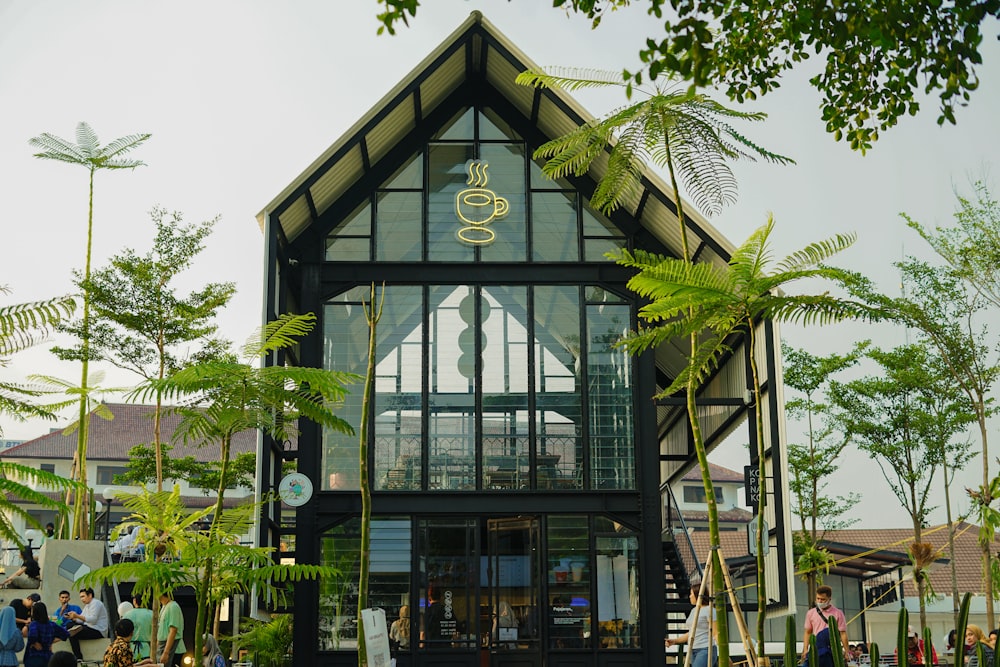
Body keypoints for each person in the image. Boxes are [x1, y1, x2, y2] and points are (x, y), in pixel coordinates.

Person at [665, 583, 718, 667]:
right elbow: (692, 633)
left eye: (691, 594)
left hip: (706, 649)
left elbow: (716, 633)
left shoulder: (710, 610)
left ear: (698, 595)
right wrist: (675, 641)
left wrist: (724, 655)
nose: (689, 596)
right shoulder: (694, 610)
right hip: (693, 649)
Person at [800, 585, 850, 667]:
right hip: (816, 648)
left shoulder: (838, 613)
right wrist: (805, 649)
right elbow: (807, 632)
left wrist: (847, 652)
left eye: (823, 599)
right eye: (818, 598)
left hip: (832, 650)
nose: (819, 601)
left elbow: (843, 633)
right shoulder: (811, 613)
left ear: (829, 599)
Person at [66, 588, 109, 659]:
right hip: (89, 627)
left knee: (73, 633)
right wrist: (73, 618)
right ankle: (78, 657)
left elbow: (93, 620)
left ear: (90, 595)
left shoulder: (96, 603)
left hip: (98, 630)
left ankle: (78, 657)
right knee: (70, 625)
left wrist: (77, 615)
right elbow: (82, 620)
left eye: (83, 596)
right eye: (80, 597)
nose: (82, 599)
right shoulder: (87, 606)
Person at [24, 602, 69, 667]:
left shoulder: (34, 624)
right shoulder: (52, 624)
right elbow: (65, 634)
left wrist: (34, 642)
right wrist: (51, 641)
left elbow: (32, 636)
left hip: (34, 657)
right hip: (48, 657)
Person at [156, 591, 185, 667]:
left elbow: (173, 630)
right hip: (163, 646)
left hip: (173, 647)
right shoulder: (164, 607)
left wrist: (166, 652)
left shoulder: (173, 607)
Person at [122, 596, 153, 661]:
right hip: (147, 650)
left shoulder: (126, 614)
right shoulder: (152, 614)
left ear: (134, 601)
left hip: (130, 650)